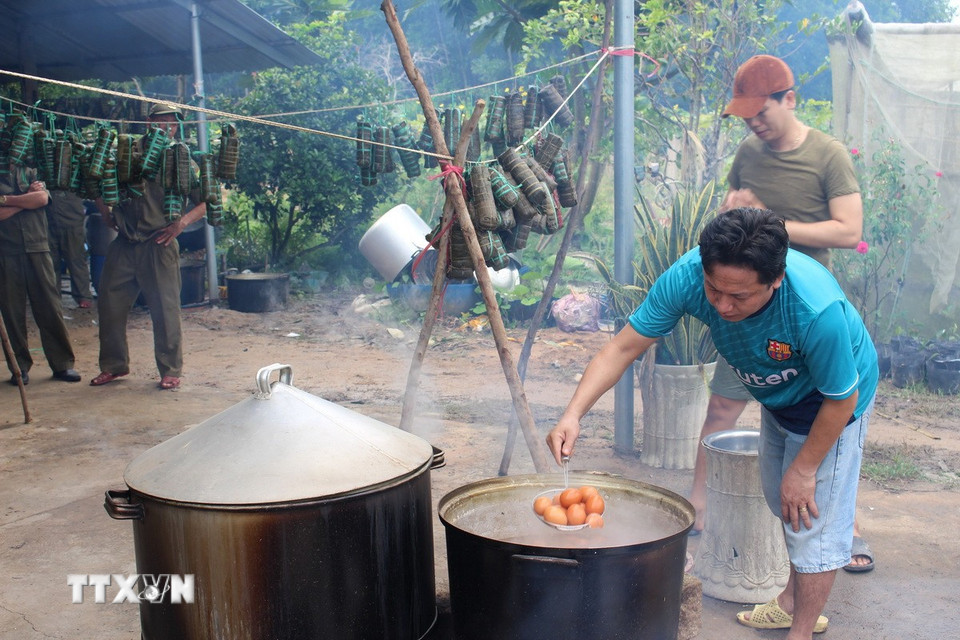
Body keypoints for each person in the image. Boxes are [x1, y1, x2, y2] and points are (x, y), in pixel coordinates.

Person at [547, 208, 877, 639]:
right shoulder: (689, 275)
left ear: (775, 279)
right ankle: (790, 602)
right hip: (778, 398)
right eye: (714, 290)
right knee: (783, 502)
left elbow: (842, 397)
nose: (722, 306)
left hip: (832, 404)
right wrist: (572, 413)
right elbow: (622, 348)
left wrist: (805, 469)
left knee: (812, 524)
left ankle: (800, 631)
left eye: (739, 297)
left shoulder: (815, 310)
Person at [689, 53, 875, 573]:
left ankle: (842, 524)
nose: (754, 124)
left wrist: (772, 225)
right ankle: (698, 503)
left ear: (789, 99)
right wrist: (735, 213)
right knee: (721, 407)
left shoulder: (827, 155)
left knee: (828, 415)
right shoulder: (749, 152)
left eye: (761, 112)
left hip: (802, 310)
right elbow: (733, 210)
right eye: (746, 116)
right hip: (746, 310)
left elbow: (849, 230)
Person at [90, 103, 207, 390]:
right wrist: (105, 212)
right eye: (163, 121)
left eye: (173, 124)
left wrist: (181, 224)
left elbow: (206, 202)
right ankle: (114, 366)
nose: (168, 128)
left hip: (159, 243)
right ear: (148, 122)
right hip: (124, 243)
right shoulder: (126, 152)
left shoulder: (181, 159)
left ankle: (170, 370)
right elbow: (98, 182)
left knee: (165, 310)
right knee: (109, 304)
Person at [0, 168, 81, 385]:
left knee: (50, 306)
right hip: (6, 250)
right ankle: (19, 367)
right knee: (12, 311)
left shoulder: (32, 170)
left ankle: (63, 364)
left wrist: (7, 200)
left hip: (38, 246)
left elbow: (42, 199)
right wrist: (27, 200)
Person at [46, 189, 94, 309]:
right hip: (48, 218)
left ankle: (83, 296)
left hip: (72, 220)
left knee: (76, 259)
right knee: (50, 262)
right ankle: (53, 297)